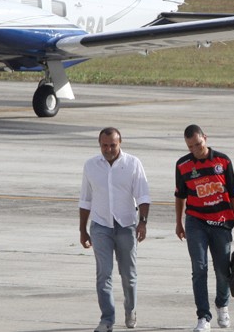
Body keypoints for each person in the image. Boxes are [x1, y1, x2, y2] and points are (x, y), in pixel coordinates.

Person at [79, 127, 151, 332]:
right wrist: (82, 230)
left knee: (128, 274)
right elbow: (85, 200)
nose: (108, 149)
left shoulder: (133, 164)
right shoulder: (91, 165)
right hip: (100, 226)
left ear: (120, 143)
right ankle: (107, 319)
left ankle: (130, 310)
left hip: (126, 225)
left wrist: (143, 222)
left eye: (113, 145)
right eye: (104, 145)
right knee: (104, 274)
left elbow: (143, 196)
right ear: (99, 144)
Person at [174, 124, 234, 332]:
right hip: (196, 222)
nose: (196, 150)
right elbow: (180, 196)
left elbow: (233, 193)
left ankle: (222, 305)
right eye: (191, 147)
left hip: (221, 221)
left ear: (205, 137)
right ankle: (203, 316)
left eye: (198, 144)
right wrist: (179, 222)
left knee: (222, 270)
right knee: (199, 268)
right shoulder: (183, 165)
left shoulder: (223, 161)